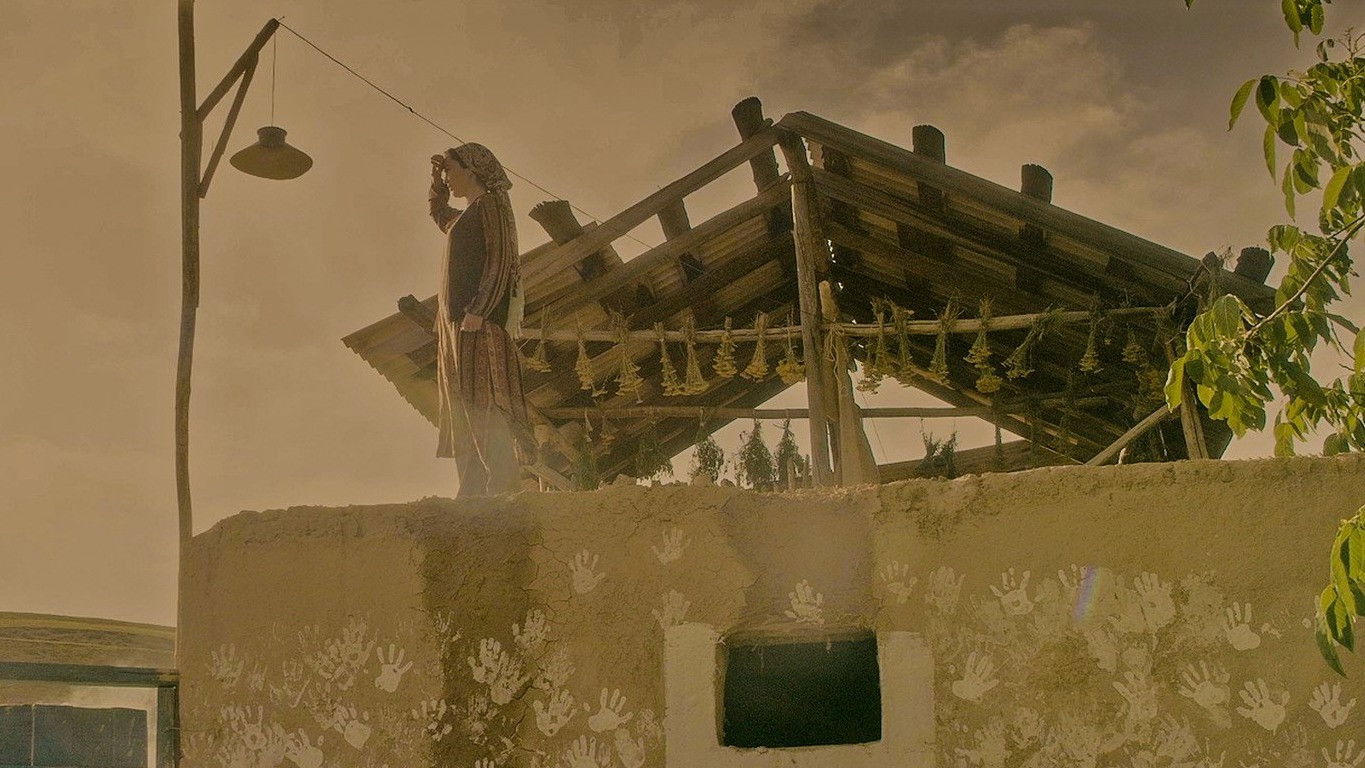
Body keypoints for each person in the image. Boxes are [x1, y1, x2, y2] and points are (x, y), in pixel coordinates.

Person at [427, 143, 531, 497]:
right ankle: (473, 490)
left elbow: (500, 257)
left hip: (477, 323)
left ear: (471, 171)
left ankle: (502, 485)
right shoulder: (465, 216)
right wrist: (435, 183)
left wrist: (479, 309)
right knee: (463, 406)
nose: (448, 179)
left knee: (484, 402)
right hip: (456, 326)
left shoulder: (490, 207)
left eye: (451, 171)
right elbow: (440, 215)